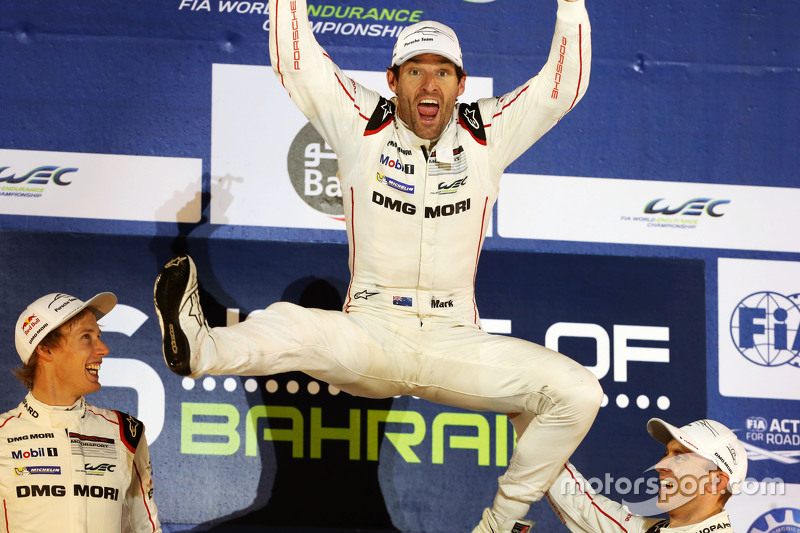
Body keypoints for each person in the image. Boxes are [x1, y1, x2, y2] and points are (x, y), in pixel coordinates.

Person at [154, 0, 600, 531]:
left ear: (462, 84)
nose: (428, 83)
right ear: (393, 80)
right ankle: (201, 349)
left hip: (454, 342)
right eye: (415, 71)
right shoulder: (361, 121)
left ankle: (501, 524)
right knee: (293, 325)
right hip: (372, 334)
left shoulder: (488, 133)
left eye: (442, 72)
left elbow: (561, 87)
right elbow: (296, 63)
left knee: (578, 392)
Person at [2, 292, 161, 533]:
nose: (104, 349)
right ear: (46, 349)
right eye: (86, 337)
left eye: (99, 336)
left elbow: (146, 529)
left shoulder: (125, 432)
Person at [546, 418, 748, 533]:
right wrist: (538, 438)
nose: (660, 466)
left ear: (716, 482)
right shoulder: (651, 530)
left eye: (679, 458)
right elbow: (585, 508)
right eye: (665, 455)